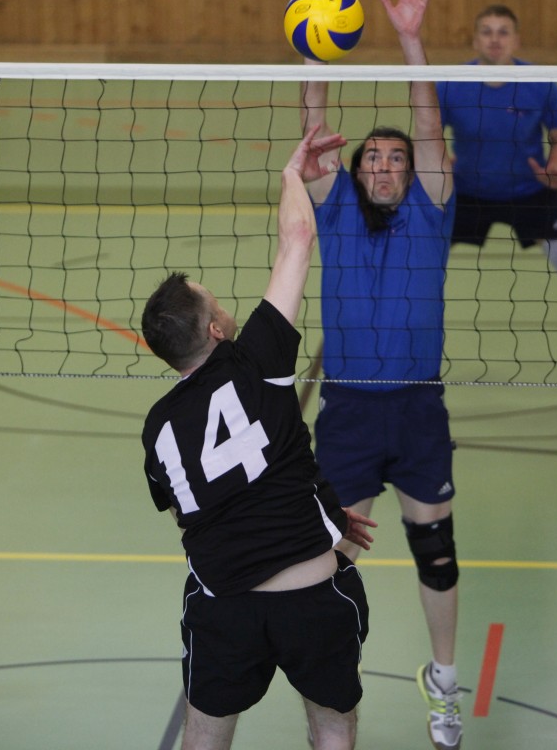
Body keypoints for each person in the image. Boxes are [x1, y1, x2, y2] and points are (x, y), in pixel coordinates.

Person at [140, 126, 379, 750]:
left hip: (225, 608)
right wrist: (291, 174)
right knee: (333, 724)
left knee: (203, 734)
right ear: (217, 331)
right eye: (215, 303)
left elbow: (188, 510)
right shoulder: (257, 362)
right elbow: (297, 237)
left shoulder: (157, 429)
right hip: (311, 596)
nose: (224, 306)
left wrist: (317, 507)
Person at [298, 0, 463, 750]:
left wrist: (410, 40)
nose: (385, 166)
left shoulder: (432, 210)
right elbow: (314, 124)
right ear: (356, 170)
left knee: (436, 550)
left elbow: (429, 129)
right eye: (373, 159)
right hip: (350, 414)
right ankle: (331, 688)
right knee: (328, 558)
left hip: (419, 408)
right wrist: (312, 46)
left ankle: (445, 682)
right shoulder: (333, 210)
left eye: (396, 158)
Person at [437, 4, 557, 405]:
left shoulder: (538, 82)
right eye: (487, 31)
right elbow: (429, 135)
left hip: (531, 192)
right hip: (467, 193)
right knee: (414, 268)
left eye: (503, 31)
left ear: (516, 39)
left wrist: (553, 166)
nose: (495, 39)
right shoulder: (451, 83)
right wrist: (442, 164)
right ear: (475, 39)